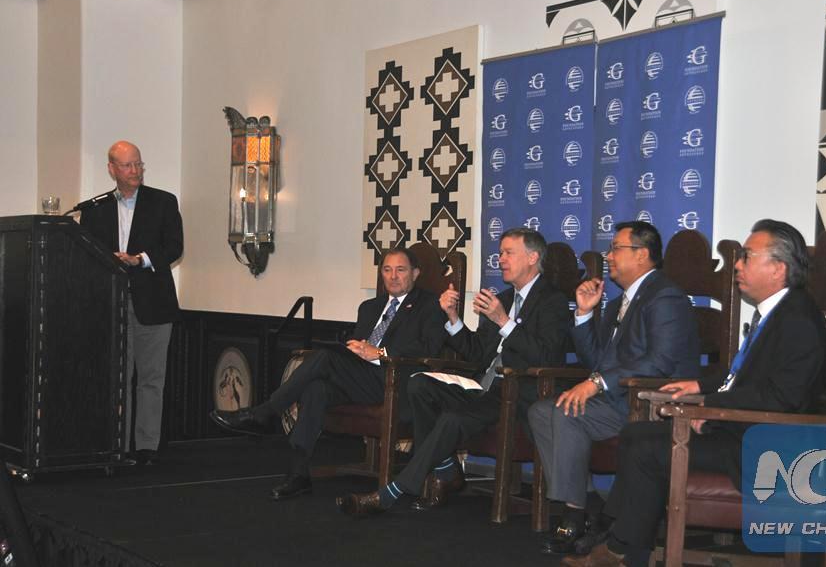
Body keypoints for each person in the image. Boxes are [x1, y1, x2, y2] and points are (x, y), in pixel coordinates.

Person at [563, 219, 826, 567]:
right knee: (637, 434)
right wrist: (701, 385)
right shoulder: (780, 312)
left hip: (766, 449)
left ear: (778, 268)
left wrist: (709, 408)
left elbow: (781, 399)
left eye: (747, 256)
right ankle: (621, 542)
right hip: (744, 431)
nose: (737, 264)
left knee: (646, 447)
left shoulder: (797, 320)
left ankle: (620, 546)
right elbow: (745, 377)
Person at [337, 227, 571, 516]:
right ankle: (446, 468)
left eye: (508, 253)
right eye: (500, 253)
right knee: (419, 383)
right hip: (482, 386)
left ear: (533, 257)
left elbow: (547, 356)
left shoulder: (552, 301)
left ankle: (394, 491)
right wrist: (452, 317)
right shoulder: (504, 299)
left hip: (516, 392)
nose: (500, 259)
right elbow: (477, 354)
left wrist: (503, 321)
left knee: (451, 419)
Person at [210, 248, 447, 500]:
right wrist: (356, 349)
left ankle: (265, 412)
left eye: (400, 270)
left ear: (415, 273)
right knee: (317, 389)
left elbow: (428, 349)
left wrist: (379, 352)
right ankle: (298, 474)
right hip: (360, 378)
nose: (393, 276)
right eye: (387, 270)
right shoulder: (370, 307)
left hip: (394, 381)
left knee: (323, 358)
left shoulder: (430, 305)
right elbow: (359, 346)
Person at [529, 221, 699, 555]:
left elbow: (660, 362)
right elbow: (596, 360)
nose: (608, 256)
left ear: (642, 254)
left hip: (651, 405)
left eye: (616, 249)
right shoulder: (621, 301)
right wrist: (583, 314)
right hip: (617, 399)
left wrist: (596, 383)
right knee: (540, 412)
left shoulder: (664, 297)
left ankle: (574, 516)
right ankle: (589, 502)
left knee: (566, 413)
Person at [79, 140, 184, 466]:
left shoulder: (163, 202)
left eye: (138, 164)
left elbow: (174, 247)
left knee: (151, 379)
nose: (135, 171)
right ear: (112, 169)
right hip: (111, 303)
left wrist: (140, 259)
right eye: (127, 165)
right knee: (117, 378)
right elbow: (85, 254)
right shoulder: (94, 209)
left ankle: (146, 447)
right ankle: (117, 444)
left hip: (154, 302)